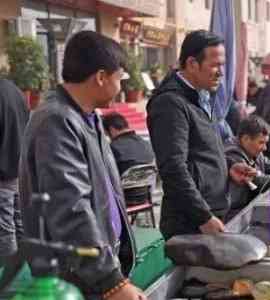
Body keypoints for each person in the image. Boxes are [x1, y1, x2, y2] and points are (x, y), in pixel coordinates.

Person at [18, 31, 145, 300]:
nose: (122, 86)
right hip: (75, 277)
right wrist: (110, 280)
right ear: (101, 77)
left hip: (96, 268)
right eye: (120, 78)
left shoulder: (89, 117)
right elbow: (70, 207)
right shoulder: (56, 121)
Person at [147, 30, 254, 240]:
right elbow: (173, 168)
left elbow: (202, 150)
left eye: (222, 65)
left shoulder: (203, 95)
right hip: (191, 222)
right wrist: (203, 217)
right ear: (192, 64)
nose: (220, 73)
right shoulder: (170, 103)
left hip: (211, 212)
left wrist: (227, 167)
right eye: (215, 65)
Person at [0, 79, 29, 259]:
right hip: (19, 170)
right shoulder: (14, 89)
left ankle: (9, 282)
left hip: (3, 174)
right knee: (21, 227)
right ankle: (25, 274)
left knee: (5, 233)